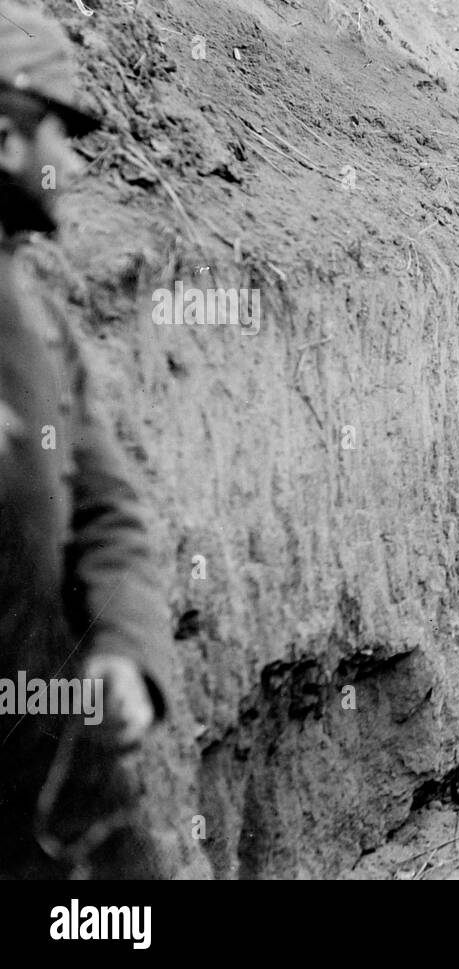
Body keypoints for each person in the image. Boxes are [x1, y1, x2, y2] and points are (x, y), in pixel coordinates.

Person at [1, 1, 171, 878]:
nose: (70, 164)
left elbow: (107, 506)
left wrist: (122, 646)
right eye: (58, 136)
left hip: (51, 754)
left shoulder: (37, 323)